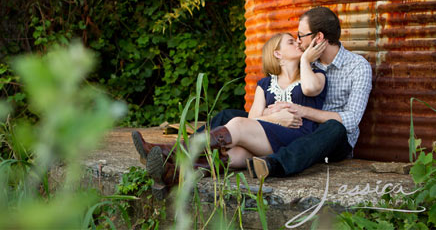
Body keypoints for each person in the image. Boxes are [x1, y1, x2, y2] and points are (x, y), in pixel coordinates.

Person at [139, 6, 372, 189]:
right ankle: (173, 169)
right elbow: (279, 89)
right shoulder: (307, 61)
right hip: (292, 126)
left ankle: (275, 163)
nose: (298, 40)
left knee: (334, 127)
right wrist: (272, 114)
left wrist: (300, 111)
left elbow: (351, 120)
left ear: (319, 37)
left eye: (301, 36)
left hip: (329, 138)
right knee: (229, 116)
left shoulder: (357, 67)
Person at [131, 31, 327, 194]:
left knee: (238, 124)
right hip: (267, 140)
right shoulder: (265, 84)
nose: (298, 44)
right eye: (291, 42)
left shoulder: (316, 75)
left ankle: (170, 152)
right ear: (277, 54)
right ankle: (172, 174)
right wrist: (274, 118)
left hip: (297, 139)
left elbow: (310, 89)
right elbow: (254, 118)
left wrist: (306, 60)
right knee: (236, 154)